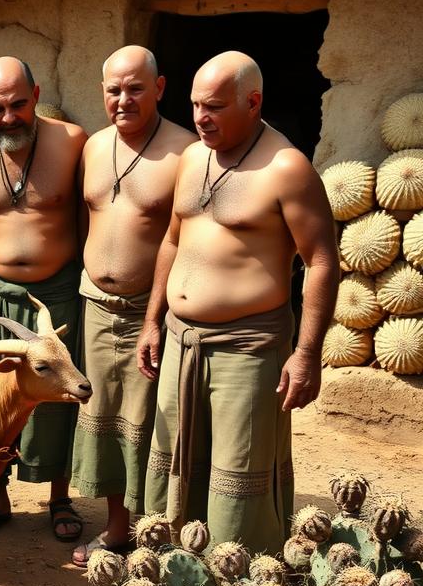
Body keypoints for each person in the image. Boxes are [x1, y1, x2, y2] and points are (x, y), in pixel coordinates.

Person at [136, 51, 339, 555]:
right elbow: (172, 241)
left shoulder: (286, 168)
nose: (201, 117)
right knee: (177, 461)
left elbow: (321, 261)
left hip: (248, 347)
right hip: (182, 341)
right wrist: (152, 321)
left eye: (215, 107)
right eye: (195, 105)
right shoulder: (192, 157)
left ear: (253, 102)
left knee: (239, 473)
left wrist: (307, 353)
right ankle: (174, 576)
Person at [70, 47, 195, 569]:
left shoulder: (186, 152)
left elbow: (189, 238)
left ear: (160, 88)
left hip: (154, 313)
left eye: (135, 89)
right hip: (95, 306)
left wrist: (158, 316)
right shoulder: (93, 146)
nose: (123, 99)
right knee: (105, 418)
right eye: (113, 90)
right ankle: (118, 529)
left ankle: (159, 535)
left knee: (154, 423)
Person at [0, 57, 87, 540]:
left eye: (17, 104)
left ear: (36, 95)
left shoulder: (73, 142)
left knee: (59, 394)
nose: (8, 116)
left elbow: (85, 214)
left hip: (56, 292)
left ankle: (59, 497)